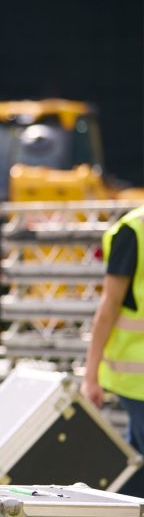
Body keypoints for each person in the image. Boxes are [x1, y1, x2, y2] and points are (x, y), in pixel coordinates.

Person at [81, 204, 144, 497]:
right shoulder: (132, 232)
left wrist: (91, 376)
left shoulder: (133, 231)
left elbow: (110, 306)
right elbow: (109, 307)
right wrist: (91, 375)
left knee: (135, 466)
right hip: (136, 381)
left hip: (135, 378)